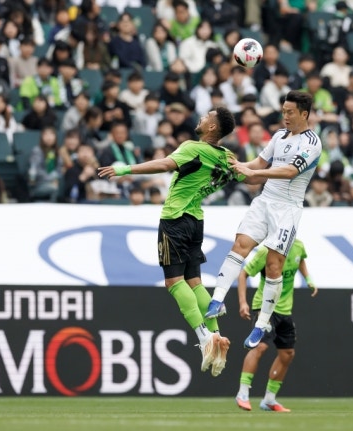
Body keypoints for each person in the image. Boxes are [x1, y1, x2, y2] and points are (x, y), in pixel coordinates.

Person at [97, 107, 239, 377]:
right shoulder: (227, 158)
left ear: (212, 127)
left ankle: (205, 338)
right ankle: (217, 335)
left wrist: (124, 169)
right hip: (196, 220)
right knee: (195, 282)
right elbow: (247, 173)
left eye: (207, 116)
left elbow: (165, 164)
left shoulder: (193, 148)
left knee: (174, 282)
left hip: (175, 219)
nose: (202, 117)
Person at [204, 90, 323, 350]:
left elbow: (289, 171)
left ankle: (262, 324)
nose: (285, 116)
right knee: (240, 245)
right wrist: (237, 165)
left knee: (273, 266)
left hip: (287, 209)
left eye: (290, 112)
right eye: (283, 111)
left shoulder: (312, 143)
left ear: (304, 114)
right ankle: (217, 299)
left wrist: (252, 173)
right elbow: (259, 162)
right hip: (265, 200)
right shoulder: (279, 136)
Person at [235, 238, 317, 412]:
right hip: (265, 308)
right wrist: (242, 303)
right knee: (260, 346)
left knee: (287, 354)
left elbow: (300, 260)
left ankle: (269, 400)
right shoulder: (266, 251)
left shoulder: (298, 246)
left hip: (285, 309)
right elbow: (243, 274)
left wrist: (309, 279)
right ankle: (242, 393)